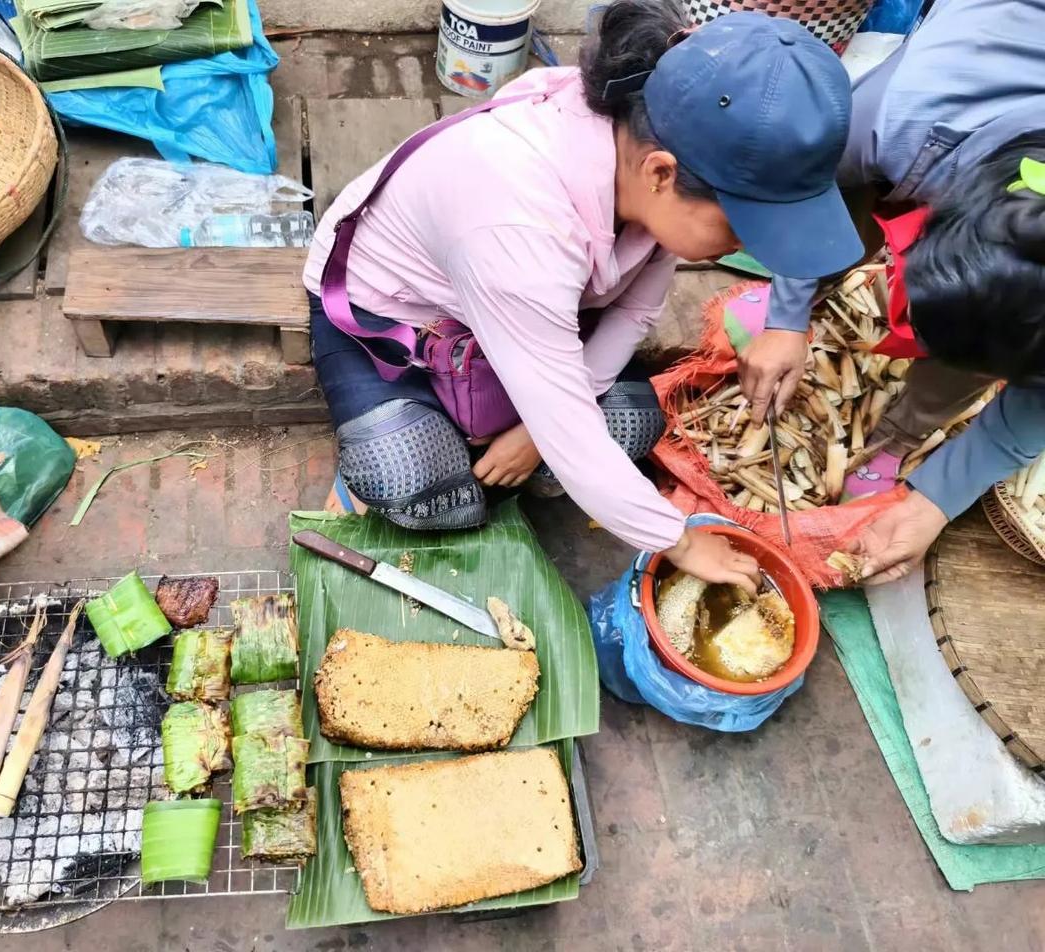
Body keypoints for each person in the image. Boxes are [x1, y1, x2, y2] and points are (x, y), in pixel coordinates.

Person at [302, 0, 864, 591]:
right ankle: (432, 436)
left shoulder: (652, 141)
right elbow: (571, 415)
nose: (743, 248)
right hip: (392, 318)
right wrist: (680, 541)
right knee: (426, 490)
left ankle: (515, 436)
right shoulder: (520, 225)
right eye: (742, 227)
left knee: (633, 425)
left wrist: (534, 434)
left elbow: (635, 308)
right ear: (661, 174)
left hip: (511, 315)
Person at [735, 0, 1045, 584]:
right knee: (844, 217)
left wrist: (934, 503)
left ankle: (903, 429)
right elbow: (809, 180)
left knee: (981, 347)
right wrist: (788, 316)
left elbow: (1038, 402)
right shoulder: (901, 117)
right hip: (969, 82)